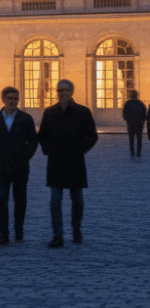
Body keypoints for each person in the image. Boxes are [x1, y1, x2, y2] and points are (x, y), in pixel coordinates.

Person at [38, 79, 98, 248]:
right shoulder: (49, 112)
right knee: (55, 200)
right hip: (55, 162)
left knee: (77, 199)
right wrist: (48, 150)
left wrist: (80, 149)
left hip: (75, 161)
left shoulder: (83, 112)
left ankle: (76, 230)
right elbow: (42, 135)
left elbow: (92, 135)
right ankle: (57, 235)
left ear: (71, 92)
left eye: (64, 90)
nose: (61, 93)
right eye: (59, 90)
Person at [0, 86, 38, 244]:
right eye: (10, 98)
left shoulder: (26, 118)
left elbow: (33, 141)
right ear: (3, 99)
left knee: (20, 200)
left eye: (15, 98)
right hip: (0, 167)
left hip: (20, 166)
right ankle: (4, 234)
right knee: (1, 200)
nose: (13, 101)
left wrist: (25, 156)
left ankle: (19, 231)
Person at [122, 90, 146, 159]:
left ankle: (132, 153)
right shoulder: (140, 103)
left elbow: (124, 113)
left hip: (131, 123)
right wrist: (142, 121)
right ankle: (138, 153)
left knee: (131, 139)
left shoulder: (128, 103)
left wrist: (127, 120)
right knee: (139, 139)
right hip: (139, 124)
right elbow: (144, 113)